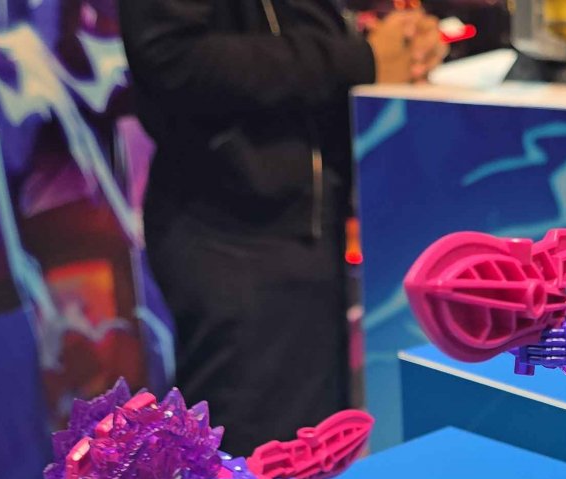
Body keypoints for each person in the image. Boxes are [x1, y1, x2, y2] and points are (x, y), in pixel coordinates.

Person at [122, 0, 445, 451]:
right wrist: (362, 58)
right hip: (234, 232)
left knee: (313, 452)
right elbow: (172, 59)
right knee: (257, 461)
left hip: (304, 222)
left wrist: (400, 38)